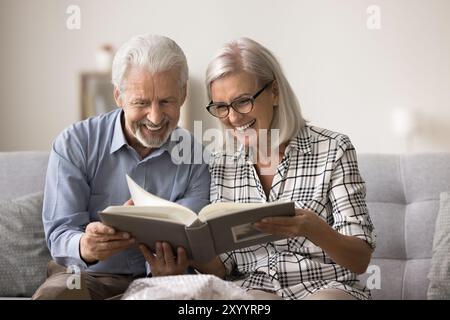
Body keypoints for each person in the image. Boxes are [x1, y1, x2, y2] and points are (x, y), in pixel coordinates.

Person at [32, 34, 210, 300]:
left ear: (183, 94)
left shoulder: (196, 156)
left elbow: (193, 233)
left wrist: (172, 268)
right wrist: (85, 246)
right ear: (118, 95)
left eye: (166, 101)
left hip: (165, 282)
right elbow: (59, 232)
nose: (155, 117)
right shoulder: (75, 143)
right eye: (141, 102)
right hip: (89, 276)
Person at [201, 37, 376, 300]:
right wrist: (183, 256)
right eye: (222, 107)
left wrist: (314, 229)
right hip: (254, 290)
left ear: (274, 92)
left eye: (243, 101)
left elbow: (360, 259)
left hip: (327, 288)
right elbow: (223, 266)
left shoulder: (334, 149)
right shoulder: (220, 163)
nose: (234, 117)